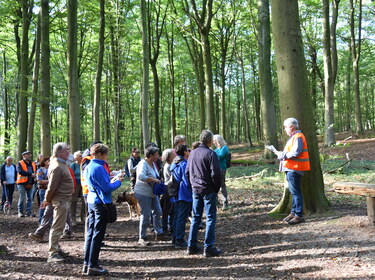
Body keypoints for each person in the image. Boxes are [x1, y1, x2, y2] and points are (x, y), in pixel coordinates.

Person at [83, 143, 124, 276]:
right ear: (100, 154)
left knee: (91, 233)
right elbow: (107, 188)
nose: (107, 157)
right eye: (106, 154)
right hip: (100, 203)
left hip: (91, 201)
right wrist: (118, 182)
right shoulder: (99, 167)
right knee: (97, 234)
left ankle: (87, 262)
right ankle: (93, 265)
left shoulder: (89, 166)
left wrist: (111, 178)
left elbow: (99, 183)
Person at [186, 130, 223, 257]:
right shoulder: (211, 154)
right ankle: (208, 247)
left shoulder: (192, 153)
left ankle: (191, 246)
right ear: (209, 141)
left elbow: (187, 172)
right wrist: (215, 188)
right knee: (210, 218)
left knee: (196, 217)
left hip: (196, 189)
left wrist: (193, 184)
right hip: (207, 190)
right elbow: (216, 174)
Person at [268, 118, 310, 225]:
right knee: (293, 192)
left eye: (286, 127)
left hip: (295, 168)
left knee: (296, 193)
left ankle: (299, 215)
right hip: (291, 168)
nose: (285, 129)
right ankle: (293, 212)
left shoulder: (298, 137)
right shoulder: (294, 137)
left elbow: (296, 152)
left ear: (291, 127)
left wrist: (283, 155)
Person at [42, 143, 74, 263]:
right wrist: (47, 200)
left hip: (63, 199)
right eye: (67, 150)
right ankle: (53, 253)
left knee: (58, 227)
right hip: (60, 200)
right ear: (60, 152)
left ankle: (57, 248)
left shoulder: (61, 164)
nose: (69, 152)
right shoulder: (56, 166)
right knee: (57, 227)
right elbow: (51, 186)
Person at [134, 146, 165, 246]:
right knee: (146, 214)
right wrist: (153, 180)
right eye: (156, 154)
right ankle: (142, 236)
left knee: (158, 211)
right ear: (150, 155)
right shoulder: (142, 163)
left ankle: (159, 232)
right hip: (143, 192)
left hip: (152, 192)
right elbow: (141, 176)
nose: (158, 156)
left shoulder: (153, 164)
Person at [170, 144, 191, 249]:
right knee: (181, 218)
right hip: (184, 193)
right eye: (187, 150)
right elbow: (187, 180)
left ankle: (174, 238)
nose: (189, 152)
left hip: (175, 193)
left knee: (176, 216)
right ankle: (179, 239)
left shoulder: (173, 163)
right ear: (184, 152)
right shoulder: (184, 164)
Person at [16, 151, 37, 217]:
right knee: (22, 197)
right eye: (27, 155)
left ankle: (29, 212)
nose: (28, 156)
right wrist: (30, 174)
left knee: (30, 198)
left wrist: (35, 178)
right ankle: (20, 212)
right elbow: (20, 171)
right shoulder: (19, 163)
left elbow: (35, 172)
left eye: (29, 154)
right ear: (23, 156)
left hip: (30, 183)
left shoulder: (33, 163)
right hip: (21, 183)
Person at [213, 134, 230, 210]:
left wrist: (212, 154)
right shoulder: (216, 149)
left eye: (214, 140)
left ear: (218, 140)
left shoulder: (224, 148)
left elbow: (220, 156)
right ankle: (216, 202)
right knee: (215, 186)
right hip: (215, 169)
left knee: (222, 186)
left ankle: (225, 202)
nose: (213, 142)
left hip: (222, 169)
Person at [160, 148, 175, 235]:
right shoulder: (168, 166)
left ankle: (170, 226)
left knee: (170, 209)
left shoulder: (170, 165)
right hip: (168, 189)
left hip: (169, 189)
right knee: (167, 209)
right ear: (168, 157)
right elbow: (171, 179)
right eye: (172, 155)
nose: (174, 156)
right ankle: (165, 227)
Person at [70, 151, 83, 225]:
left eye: (81, 155)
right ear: (75, 157)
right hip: (76, 184)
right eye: (79, 155)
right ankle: (73, 218)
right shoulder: (73, 165)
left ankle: (83, 217)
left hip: (83, 185)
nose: (81, 157)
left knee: (84, 202)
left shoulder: (84, 164)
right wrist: (72, 187)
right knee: (73, 201)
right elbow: (71, 176)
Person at [36, 157, 50, 224]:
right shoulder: (40, 170)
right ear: (44, 162)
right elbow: (39, 181)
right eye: (48, 161)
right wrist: (50, 181)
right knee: (43, 205)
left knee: (50, 206)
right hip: (43, 190)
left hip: (50, 190)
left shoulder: (52, 169)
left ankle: (49, 222)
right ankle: (41, 221)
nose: (49, 162)